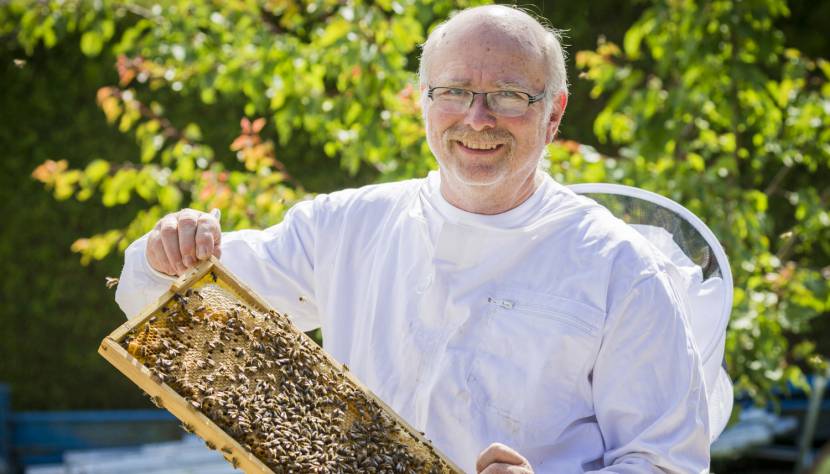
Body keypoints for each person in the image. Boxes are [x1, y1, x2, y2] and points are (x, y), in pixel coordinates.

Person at [115, 5, 710, 473]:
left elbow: (668, 462)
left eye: (508, 96)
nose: (477, 119)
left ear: (553, 113)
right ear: (424, 102)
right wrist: (169, 247)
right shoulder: (343, 225)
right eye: (454, 92)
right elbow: (171, 296)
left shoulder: (620, 267)